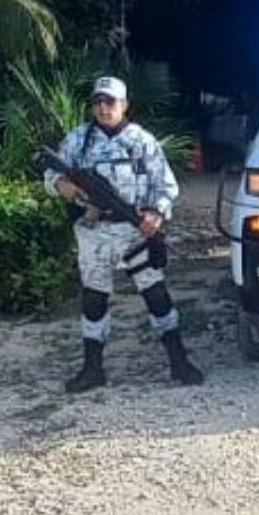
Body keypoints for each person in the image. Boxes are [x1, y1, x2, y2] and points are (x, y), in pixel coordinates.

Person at [43, 76, 205, 392]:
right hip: (94, 232)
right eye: (98, 102)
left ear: (124, 105)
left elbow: (166, 186)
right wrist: (61, 185)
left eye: (110, 102)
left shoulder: (141, 141)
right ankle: (92, 369)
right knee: (94, 297)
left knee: (155, 294)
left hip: (134, 232)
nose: (103, 108)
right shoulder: (79, 140)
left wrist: (155, 214)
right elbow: (52, 174)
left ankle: (178, 360)